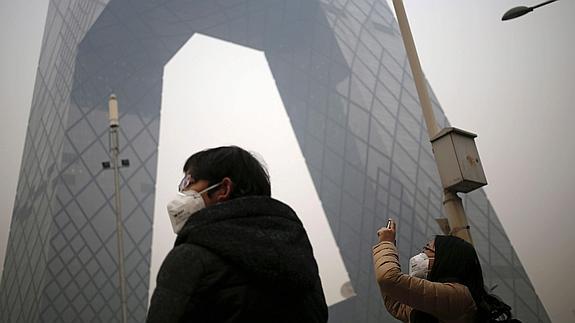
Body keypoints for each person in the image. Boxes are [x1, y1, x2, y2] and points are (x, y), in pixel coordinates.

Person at [146, 146, 328, 323]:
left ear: (223, 189)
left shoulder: (191, 259)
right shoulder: (301, 259)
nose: (183, 192)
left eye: (188, 182)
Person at [373, 219, 520, 323]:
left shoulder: (458, 295)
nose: (421, 255)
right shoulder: (436, 302)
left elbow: (389, 279)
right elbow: (396, 301)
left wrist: (387, 243)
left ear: (446, 259)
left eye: (427, 250)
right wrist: (389, 246)